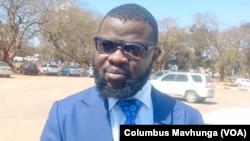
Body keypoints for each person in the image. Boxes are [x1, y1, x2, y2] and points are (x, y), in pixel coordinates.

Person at [40, 3, 204, 141]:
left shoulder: (188, 119)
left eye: (133, 49)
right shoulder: (64, 115)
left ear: (154, 56)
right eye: (106, 45)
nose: (116, 58)